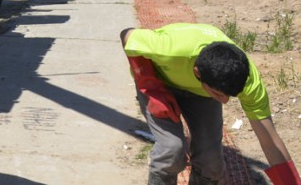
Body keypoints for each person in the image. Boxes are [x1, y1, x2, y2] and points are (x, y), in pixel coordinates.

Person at [120, 23, 300, 185]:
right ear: (197, 73)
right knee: (171, 151)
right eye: (220, 95)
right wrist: (149, 85)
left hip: (201, 95)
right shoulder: (168, 48)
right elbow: (127, 34)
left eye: (230, 96)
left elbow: (269, 141)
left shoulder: (247, 80)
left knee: (211, 163)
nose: (225, 101)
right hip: (159, 85)